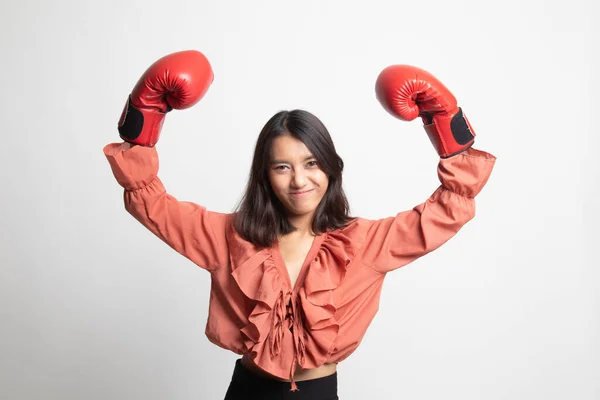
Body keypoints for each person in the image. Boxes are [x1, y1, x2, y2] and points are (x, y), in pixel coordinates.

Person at [104, 50, 496, 400]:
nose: (299, 180)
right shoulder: (226, 236)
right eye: (282, 167)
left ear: (329, 166)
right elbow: (149, 202)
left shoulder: (367, 242)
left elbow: (450, 208)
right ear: (265, 175)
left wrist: (444, 123)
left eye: (311, 163)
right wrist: (146, 113)